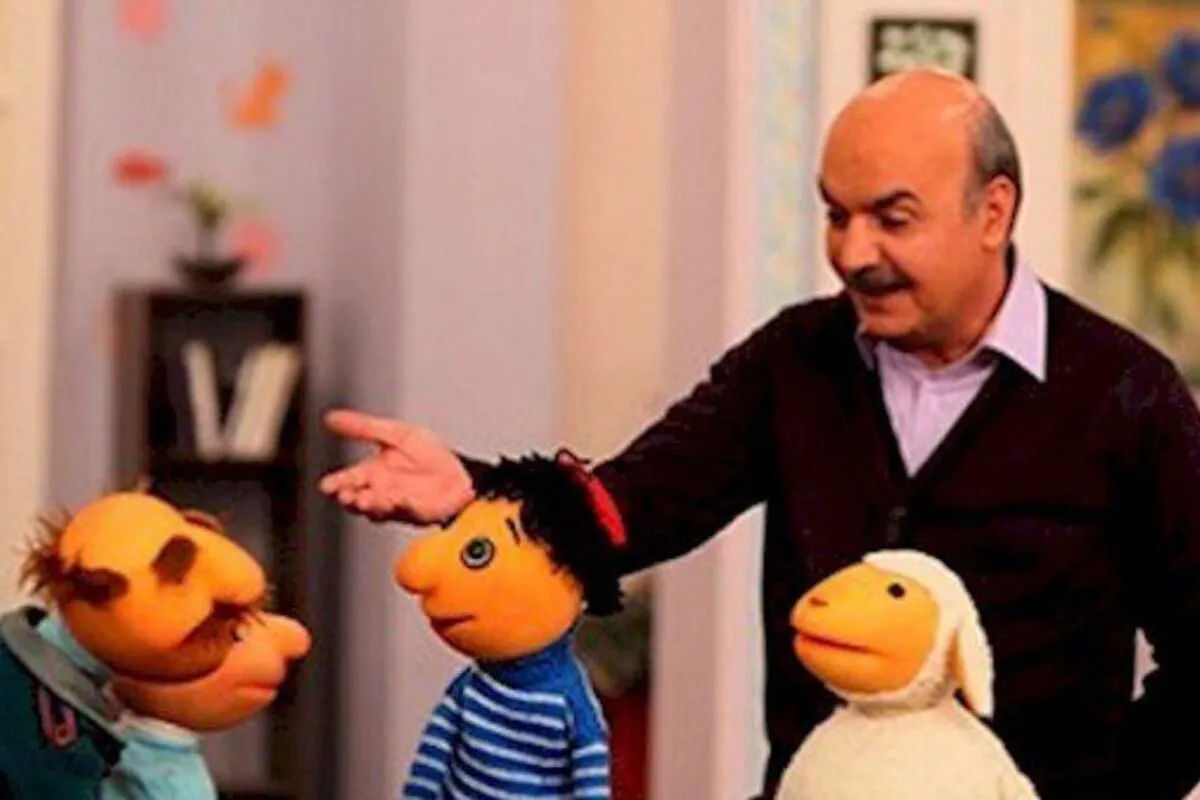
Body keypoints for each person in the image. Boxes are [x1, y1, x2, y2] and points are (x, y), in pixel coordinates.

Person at [320, 67, 1200, 799]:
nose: (853, 252)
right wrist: (476, 489)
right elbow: (638, 503)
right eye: (836, 214)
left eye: (892, 218)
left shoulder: (1126, 393)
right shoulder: (794, 360)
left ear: (994, 212)